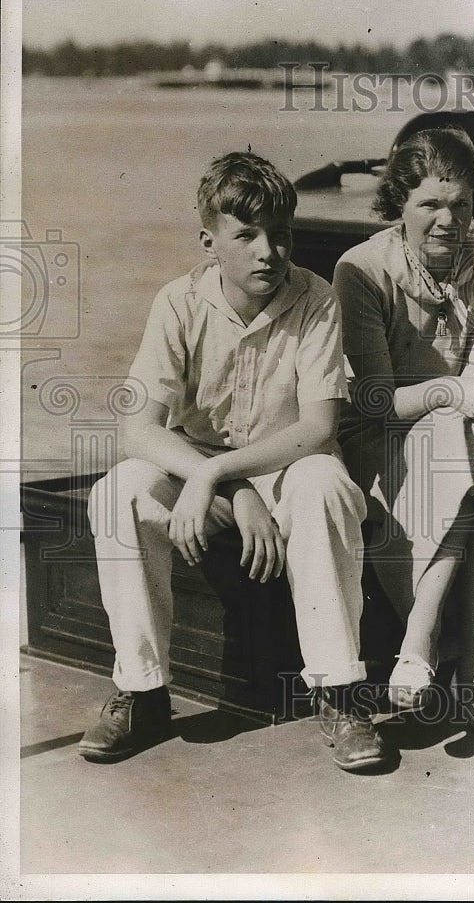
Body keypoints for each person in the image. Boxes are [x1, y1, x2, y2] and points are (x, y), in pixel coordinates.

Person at [79, 151, 390, 773]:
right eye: (246, 235)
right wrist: (217, 481)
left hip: (287, 467)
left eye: (280, 233)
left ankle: (338, 692)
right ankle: (143, 692)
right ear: (210, 243)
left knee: (325, 487)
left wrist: (224, 475)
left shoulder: (316, 300)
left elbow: (318, 428)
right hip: (198, 470)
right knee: (117, 492)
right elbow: (137, 428)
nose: (268, 252)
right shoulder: (177, 303)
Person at [333, 128, 474, 741]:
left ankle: (423, 645)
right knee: (462, 431)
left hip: (465, 438)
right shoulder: (362, 269)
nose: (449, 220)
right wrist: (454, 393)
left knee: (472, 436)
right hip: (382, 440)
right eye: (430, 204)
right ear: (399, 203)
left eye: (462, 204)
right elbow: (376, 402)